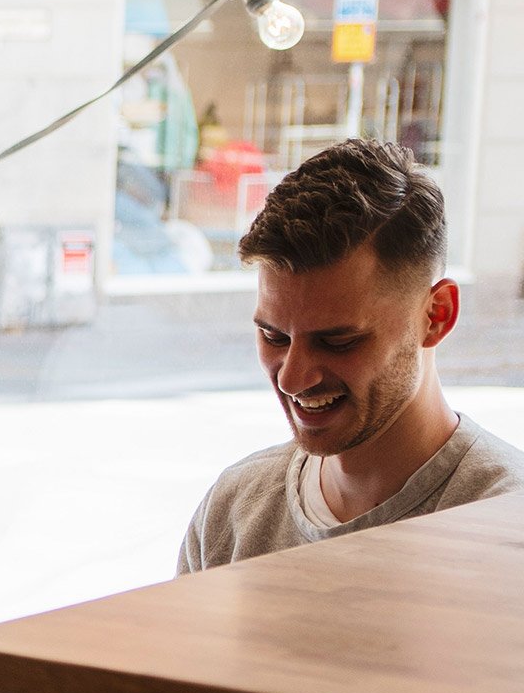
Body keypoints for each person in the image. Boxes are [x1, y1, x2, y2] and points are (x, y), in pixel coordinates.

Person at [180, 139, 522, 571]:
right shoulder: (232, 513)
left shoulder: (509, 526)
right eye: (274, 337)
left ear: (437, 316)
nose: (291, 378)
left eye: (338, 341)